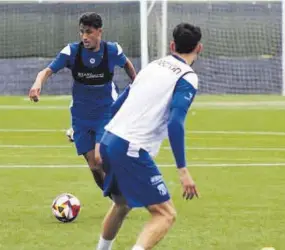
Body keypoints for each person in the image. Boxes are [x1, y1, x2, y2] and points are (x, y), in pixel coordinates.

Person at [96, 23, 202, 250]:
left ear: (172, 45)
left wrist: (102, 139)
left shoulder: (151, 67)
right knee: (165, 214)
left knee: (122, 203)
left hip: (109, 140)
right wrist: (182, 170)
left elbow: (116, 107)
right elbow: (175, 122)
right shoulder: (187, 76)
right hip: (130, 147)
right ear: (199, 48)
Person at [29, 12, 136, 190]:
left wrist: (136, 82)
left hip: (106, 111)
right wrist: (37, 84)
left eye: (89, 32)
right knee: (94, 167)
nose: (84, 37)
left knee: (101, 158)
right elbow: (46, 71)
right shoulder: (71, 51)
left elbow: (127, 64)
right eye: (82, 32)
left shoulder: (112, 50)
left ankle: (121, 196)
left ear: (99, 32)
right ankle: (115, 200)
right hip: (81, 115)